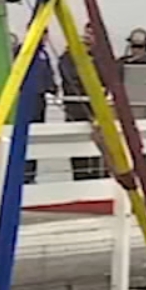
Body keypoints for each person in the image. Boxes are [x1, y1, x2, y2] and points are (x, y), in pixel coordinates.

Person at [59, 22, 105, 180]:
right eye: (88, 34)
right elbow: (70, 79)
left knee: (103, 146)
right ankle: (80, 178)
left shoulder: (102, 57)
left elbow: (110, 77)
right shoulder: (70, 55)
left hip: (100, 109)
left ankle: (100, 178)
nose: (89, 38)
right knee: (77, 147)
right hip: (77, 108)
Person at [14, 33, 57, 184]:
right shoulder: (22, 50)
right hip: (25, 98)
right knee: (24, 136)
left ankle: (31, 174)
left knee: (36, 138)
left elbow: (48, 73)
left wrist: (52, 88)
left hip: (40, 100)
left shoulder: (43, 53)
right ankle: (22, 173)